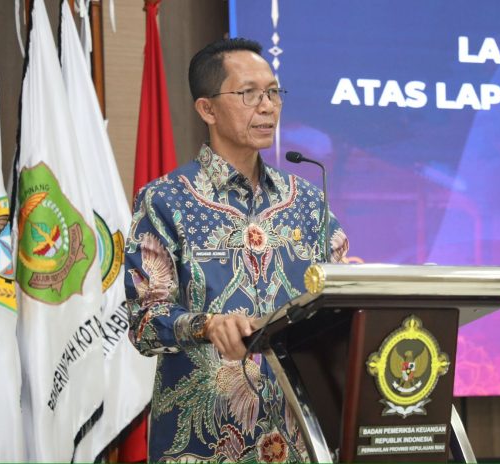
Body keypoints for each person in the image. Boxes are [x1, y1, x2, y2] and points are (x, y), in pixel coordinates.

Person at [124, 37, 349, 462]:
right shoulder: (165, 200)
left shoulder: (306, 201)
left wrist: (358, 285)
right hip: (206, 445)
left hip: (301, 440)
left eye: (273, 92)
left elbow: (338, 302)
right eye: (249, 93)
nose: (267, 106)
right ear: (207, 109)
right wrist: (207, 326)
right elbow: (145, 322)